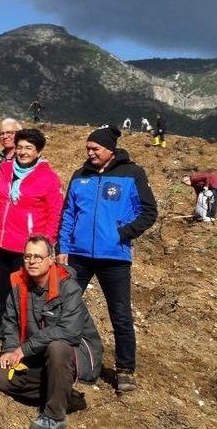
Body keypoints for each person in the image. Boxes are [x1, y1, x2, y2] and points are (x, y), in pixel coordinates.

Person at [57, 125, 157, 392]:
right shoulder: (80, 176)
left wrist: (122, 233)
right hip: (78, 255)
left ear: (110, 150)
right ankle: (62, 358)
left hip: (114, 256)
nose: (90, 153)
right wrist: (62, 246)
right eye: (87, 149)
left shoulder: (132, 174)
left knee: (121, 314)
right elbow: (68, 214)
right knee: (65, 306)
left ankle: (125, 370)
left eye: (95, 149)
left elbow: (148, 211)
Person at [0, 235, 103, 429]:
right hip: (39, 356)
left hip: (76, 353)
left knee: (57, 347)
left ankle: (55, 416)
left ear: (51, 259)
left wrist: (24, 349)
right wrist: (10, 350)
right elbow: (10, 323)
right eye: (27, 257)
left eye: (38, 257)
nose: (32, 261)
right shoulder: (19, 286)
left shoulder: (69, 288)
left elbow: (69, 331)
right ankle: (60, 393)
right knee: (1, 379)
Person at [0, 129, 63, 342]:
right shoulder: (5, 169)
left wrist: (46, 243)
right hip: (0, 240)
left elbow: (54, 211)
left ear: (38, 151)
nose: (23, 152)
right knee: (0, 286)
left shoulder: (48, 177)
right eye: (19, 147)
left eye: (29, 148)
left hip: (26, 245)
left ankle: (22, 328)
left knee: (22, 288)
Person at [0, 118, 22, 195]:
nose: (5, 136)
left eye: (9, 132)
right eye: (1, 134)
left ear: (19, 134)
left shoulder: (25, 158)